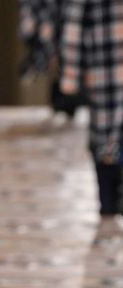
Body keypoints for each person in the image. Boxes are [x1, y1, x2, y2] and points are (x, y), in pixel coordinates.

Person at [60, 0, 123, 219]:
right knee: (104, 143)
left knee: (105, 141)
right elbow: (74, 28)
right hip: (104, 76)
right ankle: (108, 207)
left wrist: (71, 78)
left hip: (104, 76)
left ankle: (109, 206)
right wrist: (71, 77)